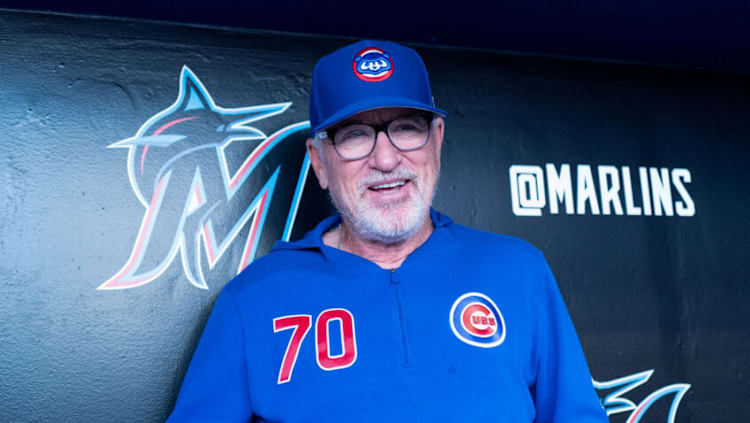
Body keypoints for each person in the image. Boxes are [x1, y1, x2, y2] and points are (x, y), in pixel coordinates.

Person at [167, 39, 607, 422]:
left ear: (436, 141)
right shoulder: (254, 299)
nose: (385, 159)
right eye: (356, 135)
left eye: (405, 128)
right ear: (320, 161)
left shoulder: (518, 270)